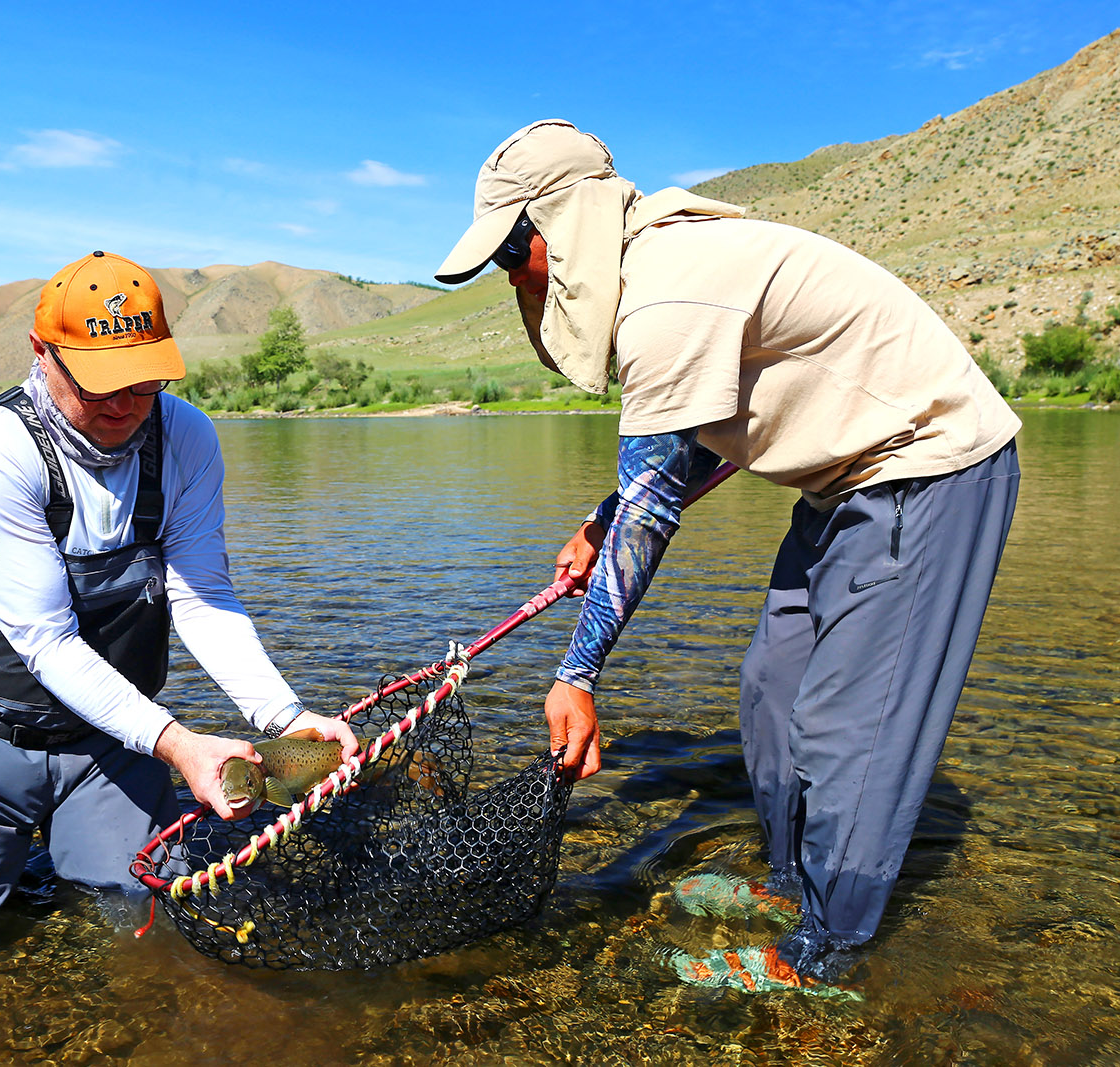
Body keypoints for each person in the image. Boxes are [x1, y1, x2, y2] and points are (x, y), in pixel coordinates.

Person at [435, 121, 1020, 985]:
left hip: (924, 471)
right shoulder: (659, 272)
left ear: (565, 225)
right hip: (840, 483)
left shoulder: (669, 295)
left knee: (848, 729)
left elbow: (655, 507)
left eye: (514, 249)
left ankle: (825, 951)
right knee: (773, 687)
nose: (511, 273)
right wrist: (607, 517)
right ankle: (793, 886)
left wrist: (579, 674)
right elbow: (690, 450)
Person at [0, 250, 356, 936]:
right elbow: (48, 641)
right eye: (101, 384)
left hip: (110, 741)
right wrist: (181, 744)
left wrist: (285, 718)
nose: (126, 405)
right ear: (42, 353)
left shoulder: (186, 438)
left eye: (143, 380)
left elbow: (201, 596)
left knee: (152, 916)